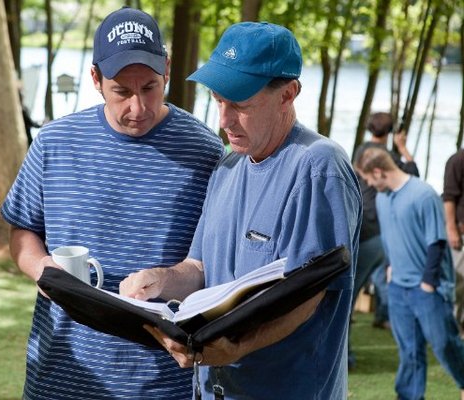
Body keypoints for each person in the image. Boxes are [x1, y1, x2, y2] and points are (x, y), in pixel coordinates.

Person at [120, 21, 362, 399]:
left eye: (240, 105)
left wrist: (237, 348)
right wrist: (160, 280)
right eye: (218, 101)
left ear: (288, 94)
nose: (224, 120)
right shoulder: (228, 166)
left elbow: (310, 297)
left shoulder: (318, 166)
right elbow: (200, 268)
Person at [0, 7, 225, 400]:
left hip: (160, 385)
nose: (138, 108)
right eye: (122, 91)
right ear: (95, 79)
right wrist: (41, 268)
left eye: (150, 88)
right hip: (59, 376)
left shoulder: (206, 153)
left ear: (167, 69)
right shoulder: (54, 143)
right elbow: (23, 231)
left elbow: (208, 266)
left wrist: (164, 278)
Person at [355, 146, 464, 400]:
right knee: (409, 351)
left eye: (368, 178)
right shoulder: (382, 199)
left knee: (444, 344)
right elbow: (391, 237)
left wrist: (428, 284)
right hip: (398, 288)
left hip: (428, 288)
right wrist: (390, 268)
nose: (368, 184)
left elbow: (436, 243)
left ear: (378, 172)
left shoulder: (423, 195)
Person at [348, 112, 420, 367]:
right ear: (389, 133)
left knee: (350, 293)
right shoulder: (387, 157)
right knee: (354, 291)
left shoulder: (361, 151)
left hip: (363, 228)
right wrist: (403, 148)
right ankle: (346, 354)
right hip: (377, 231)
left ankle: (346, 354)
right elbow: (413, 176)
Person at [443, 148, 464, 331]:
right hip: (459, 233)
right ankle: (453, 329)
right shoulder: (458, 160)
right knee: (458, 284)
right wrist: (451, 229)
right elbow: (449, 197)